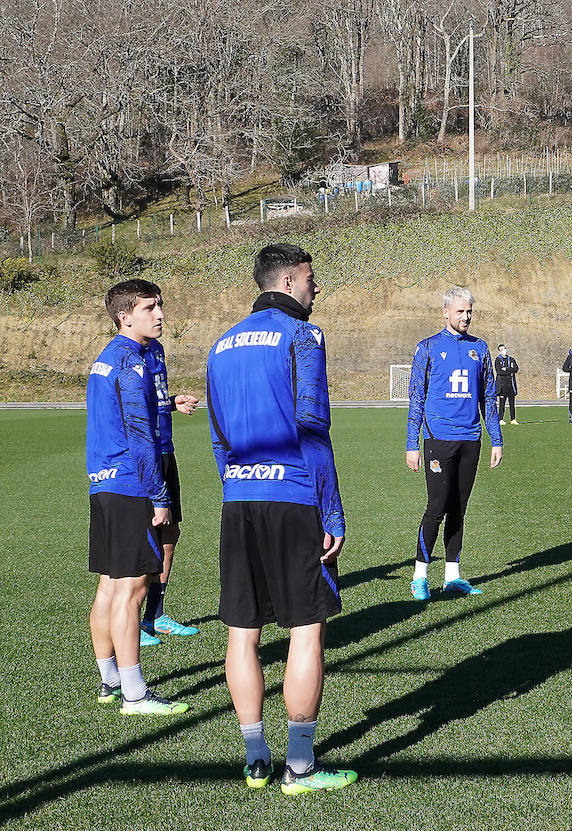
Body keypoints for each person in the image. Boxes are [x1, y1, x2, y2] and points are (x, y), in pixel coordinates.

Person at [207, 244, 356, 794]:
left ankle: (255, 759)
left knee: (242, 632)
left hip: (239, 498)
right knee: (306, 629)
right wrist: (330, 509)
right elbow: (313, 428)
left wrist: (237, 484)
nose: (317, 288)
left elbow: (218, 436)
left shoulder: (221, 345)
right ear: (289, 280)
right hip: (293, 496)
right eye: (312, 279)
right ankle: (300, 766)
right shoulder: (302, 335)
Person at [86, 279, 189, 717]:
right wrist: (158, 495)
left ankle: (110, 680)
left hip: (103, 483)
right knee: (131, 591)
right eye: (150, 307)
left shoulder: (107, 358)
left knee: (110, 586)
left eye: (159, 305)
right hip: (131, 484)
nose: (160, 313)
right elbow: (141, 436)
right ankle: (135, 694)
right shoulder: (130, 361)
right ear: (124, 316)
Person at [405, 287, 502, 600]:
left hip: (470, 439)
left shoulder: (480, 348)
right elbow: (416, 398)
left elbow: (488, 396)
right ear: (445, 312)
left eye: (469, 311)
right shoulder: (428, 348)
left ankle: (452, 576)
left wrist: (496, 439)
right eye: (460, 311)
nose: (466, 317)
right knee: (436, 507)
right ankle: (419, 577)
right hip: (439, 439)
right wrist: (412, 444)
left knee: (459, 509)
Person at [139, 334, 201, 643]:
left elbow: (152, 396)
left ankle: (154, 615)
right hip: (144, 454)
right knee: (143, 537)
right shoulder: (127, 352)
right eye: (151, 310)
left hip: (165, 450)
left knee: (169, 534)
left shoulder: (157, 349)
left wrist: (171, 402)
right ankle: (130, 622)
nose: (160, 314)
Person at [494, 343, 520, 425]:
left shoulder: (511, 359)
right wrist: (509, 371)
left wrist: (506, 369)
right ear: (499, 351)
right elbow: (499, 371)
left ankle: (513, 419)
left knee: (512, 403)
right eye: (502, 349)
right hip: (502, 385)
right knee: (502, 403)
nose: (504, 350)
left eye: (504, 348)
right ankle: (500, 419)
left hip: (511, 384)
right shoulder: (498, 360)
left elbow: (516, 369)